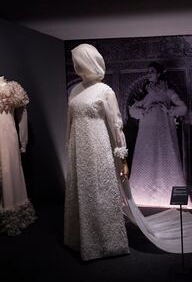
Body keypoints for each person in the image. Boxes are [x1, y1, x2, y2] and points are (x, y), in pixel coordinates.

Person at [64, 43, 129, 261]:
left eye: (79, 60)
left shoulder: (105, 90)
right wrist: (69, 148)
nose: (76, 65)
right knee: (81, 192)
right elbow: (69, 123)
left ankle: (108, 243)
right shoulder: (74, 90)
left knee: (100, 192)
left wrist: (122, 158)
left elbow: (116, 125)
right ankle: (80, 239)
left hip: (98, 147)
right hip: (78, 148)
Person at [129, 62, 187, 207]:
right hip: (147, 130)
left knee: (166, 154)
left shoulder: (168, 92)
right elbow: (132, 110)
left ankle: (169, 195)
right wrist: (143, 112)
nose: (149, 74)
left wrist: (169, 111)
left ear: (159, 73)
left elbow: (183, 108)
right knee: (146, 156)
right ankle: (142, 195)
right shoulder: (144, 93)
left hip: (164, 130)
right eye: (148, 72)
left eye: (152, 71)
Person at [0, 76, 36, 236]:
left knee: (8, 172)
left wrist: (23, 142)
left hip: (7, 138)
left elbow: (22, 117)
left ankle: (11, 211)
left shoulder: (13, 88)